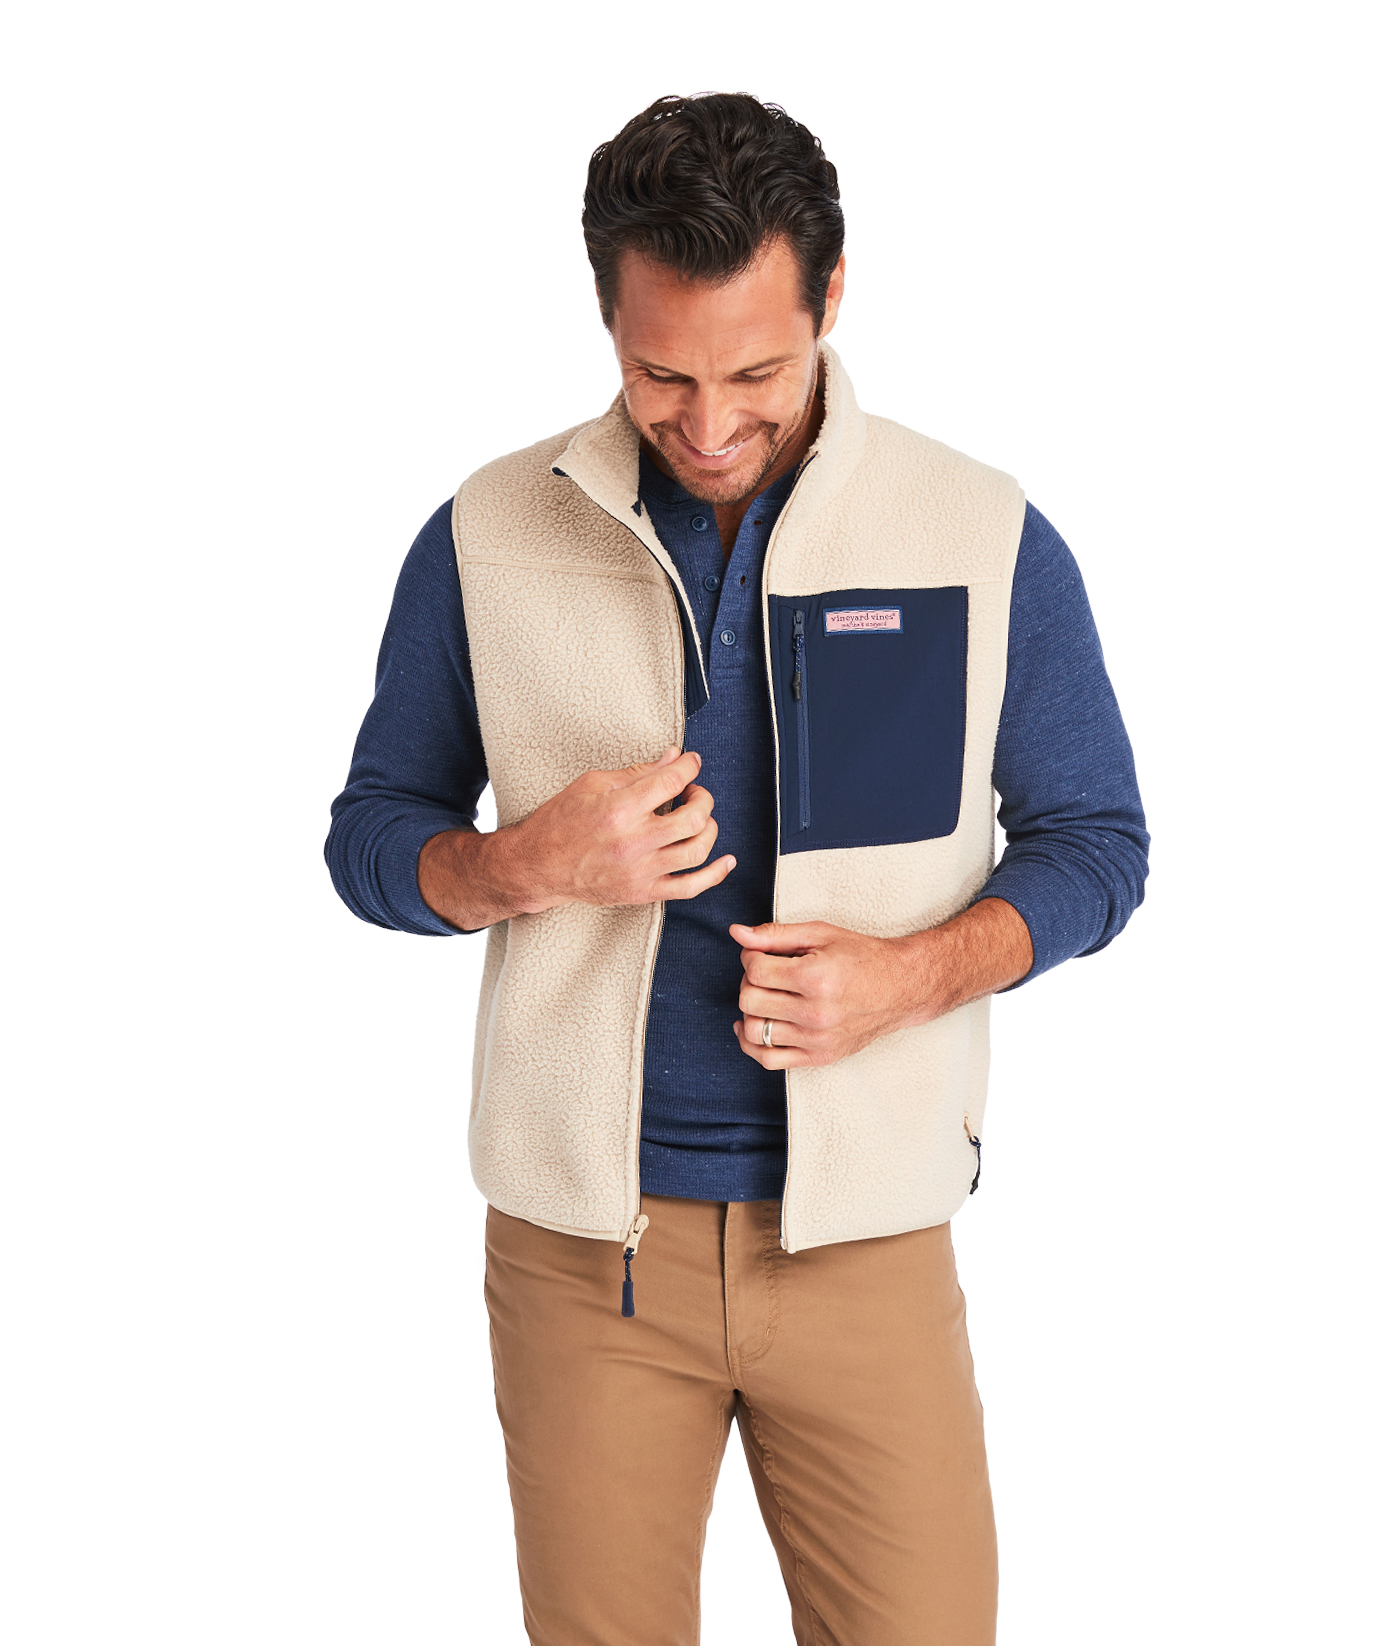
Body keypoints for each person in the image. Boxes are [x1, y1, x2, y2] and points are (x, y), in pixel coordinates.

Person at [326, 92, 1148, 1646]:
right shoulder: (489, 533)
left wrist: (910, 975)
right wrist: (520, 862)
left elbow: (1097, 840)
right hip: (586, 1258)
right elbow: (372, 836)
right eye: (663, 374)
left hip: (868, 1241)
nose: (707, 425)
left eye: (756, 373)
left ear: (831, 298)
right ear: (607, 317)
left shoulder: (979, 533)